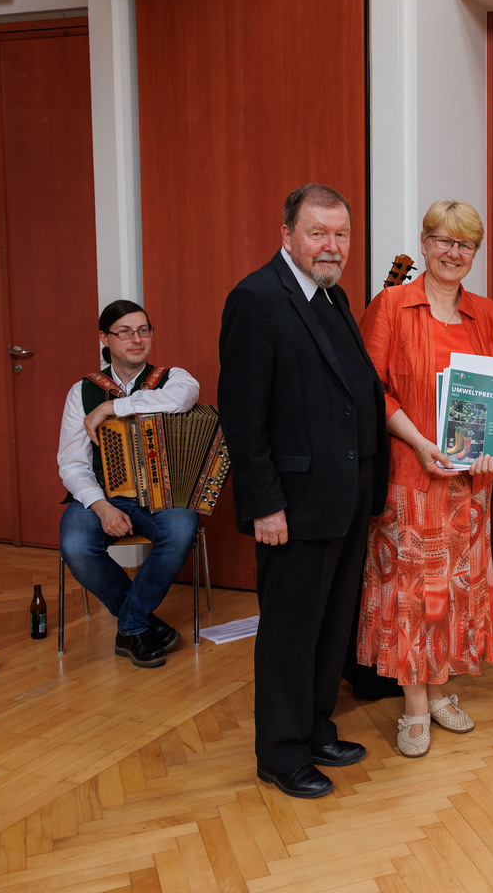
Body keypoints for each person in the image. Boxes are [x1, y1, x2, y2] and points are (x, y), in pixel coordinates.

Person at [218, 183, 389, 799]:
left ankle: (316, 728)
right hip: (292, 504)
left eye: (341, 234)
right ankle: (280, 753)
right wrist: (265, 504)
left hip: (344, 496)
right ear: (287, 234)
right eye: (318, 233)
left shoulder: (331, 295)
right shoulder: (256, 299)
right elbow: (242, 416)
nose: (331, 245)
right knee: (290, 632)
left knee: (330, 624)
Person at [357, 199, 493, 757]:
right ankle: (415, 705)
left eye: (465, 244)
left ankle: (440, 688)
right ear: (424, 244)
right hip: (410, 477)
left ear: (475, 252)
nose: (453, 252)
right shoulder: (391, 305)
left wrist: (492, 452)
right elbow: (371, 391)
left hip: (468, 485)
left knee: (451, 592)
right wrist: (421, 444)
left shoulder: (487, 314)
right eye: (443, 240)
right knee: (412, 594)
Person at [57, 300, 200, 669]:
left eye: (143, 330)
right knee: (75, 544)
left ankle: (131, 625)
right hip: (103, 494)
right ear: (105, 339)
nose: (137, 339)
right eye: (125, 332)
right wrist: (101, 506)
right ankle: (142, 623)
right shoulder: (82, 392)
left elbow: (186, 396)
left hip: (162, 496)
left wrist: (112, 408)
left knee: (181, 529)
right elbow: (72, 465)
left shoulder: (173, 379)